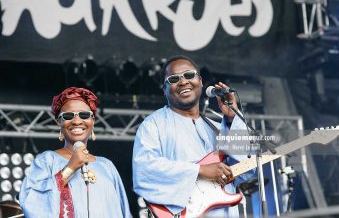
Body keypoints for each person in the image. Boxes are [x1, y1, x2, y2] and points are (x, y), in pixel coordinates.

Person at [132, 55, 254, 217]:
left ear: (201, 81)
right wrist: (199, 170)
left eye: (189, 75)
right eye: (174, 79)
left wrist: (232, 118)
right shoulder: (153, 125)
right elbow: (144, 171)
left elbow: (246, 171)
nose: (183, 82)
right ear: (164, 90)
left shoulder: (219, 128)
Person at [19, 87, 132, 218]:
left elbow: (124, 212)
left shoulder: (107, 166)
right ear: (59, 122)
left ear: (93, 121)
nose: (77, 121)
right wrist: (70, 168)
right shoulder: (47, 160)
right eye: (68, 116)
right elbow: (31, 202)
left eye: (84, 115)